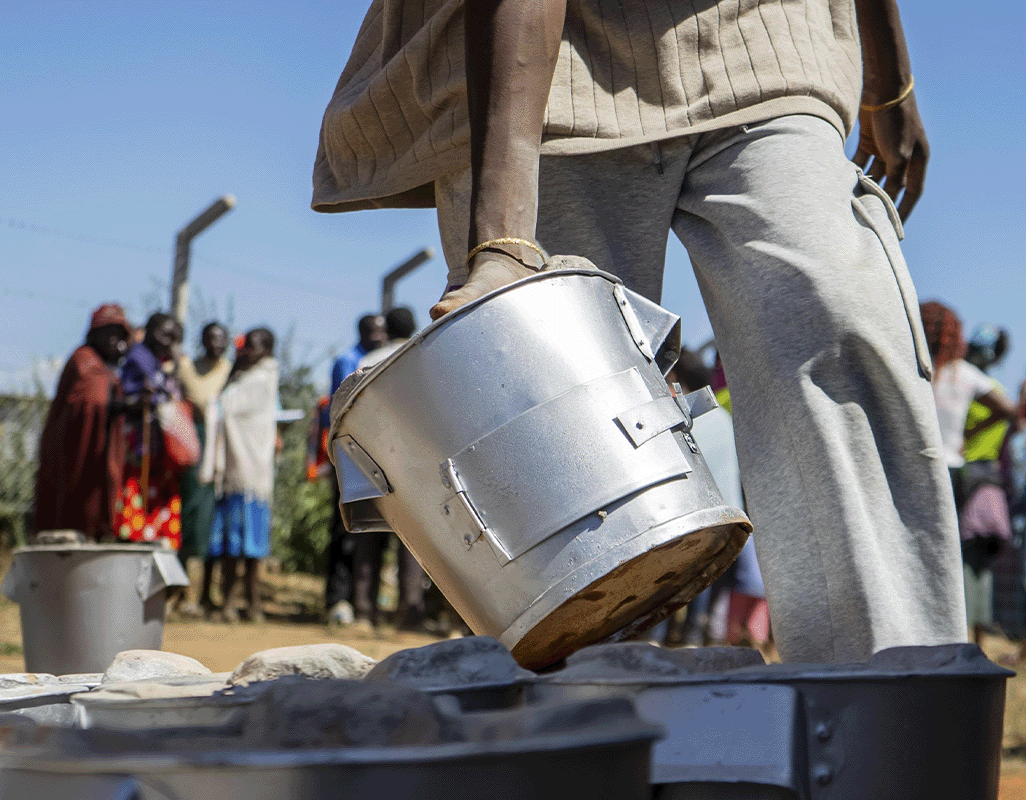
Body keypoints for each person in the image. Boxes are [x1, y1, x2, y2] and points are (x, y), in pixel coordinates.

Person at [315, 0, 969, 663]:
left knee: (835, 319)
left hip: (767, 34)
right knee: (545, 415)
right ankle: (573, 736)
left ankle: (893, 697)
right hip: (548, 68)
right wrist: (504, 236)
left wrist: (888, 81)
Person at [920, 304, 1021, 644]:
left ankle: (940, 634)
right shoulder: (969, 377)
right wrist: (970, 435)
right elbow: (1011, 413)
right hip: (956, 472)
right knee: (954, 556)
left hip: (924, 468)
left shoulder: (915, 368)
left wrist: (972, 435)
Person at [352, 307, 430, 631]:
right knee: (413, 541)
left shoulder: (366, 361)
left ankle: (363, 611)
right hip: (414, 460)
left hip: (372, 457)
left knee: (370, 538)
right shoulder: (424, 356)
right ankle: (409, 613)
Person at [202, 327, 280, 622]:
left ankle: (242, 602)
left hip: (248, 472)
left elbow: (225, 405)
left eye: (255, 346)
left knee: (244, 545)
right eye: (246, 346)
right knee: (235, 544)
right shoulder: (251, 378)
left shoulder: (260, 379)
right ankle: (238, 603)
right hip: (244, 470)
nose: (248, 351)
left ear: (268, 350)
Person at [34, 304, 130, 541]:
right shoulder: (84, 361)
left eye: (119, 334)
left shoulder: (106, 368)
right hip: (76, 459)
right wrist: (117, 407)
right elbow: (93, 402)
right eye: (109, 333)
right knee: (72, 515)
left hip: (99, 459)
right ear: (94, 334)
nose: (114, 340)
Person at [323, 314, 387, 626]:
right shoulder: (346, 361)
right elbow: (338, 409)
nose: (379, 336)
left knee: (373, 529)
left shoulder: (385, 358)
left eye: (382, 330)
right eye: (373, 331)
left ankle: (362, 599)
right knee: (344, 529)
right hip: (349, 455)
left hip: (378, 456)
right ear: (362, 332)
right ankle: (337, 598)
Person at [175, 322, 232, 616]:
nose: (216, 343)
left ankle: (203, 592)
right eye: (211, 338)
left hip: (221, 448)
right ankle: (183, 591)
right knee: (190, 512)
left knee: (211, 519)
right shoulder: (186, 368)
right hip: (192, 442)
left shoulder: (230, 371)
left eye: (222, 338)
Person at [115, 312, 184, 547]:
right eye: (165, 335)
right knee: (135, 494)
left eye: (174, 337)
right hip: (139, 443)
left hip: (156, 446)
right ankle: (132, 541)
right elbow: (129, 395)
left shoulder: (158, 361)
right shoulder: (139, 358)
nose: (169, 341)